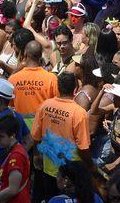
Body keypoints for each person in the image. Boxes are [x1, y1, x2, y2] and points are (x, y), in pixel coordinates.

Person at [30, 71, 92, 201]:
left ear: (58, 88)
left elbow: (36, 136)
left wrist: (36, 154)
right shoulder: (79, 113)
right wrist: (90, 166)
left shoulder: (45, 106)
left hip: (49, 168)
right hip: (70, 175)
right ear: (75, 89)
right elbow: (83, 147)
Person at [0, 112, 30, 203]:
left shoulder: (16, 156)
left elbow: (12, 190)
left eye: (1, 136)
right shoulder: (12, 150)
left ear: (13, 136)